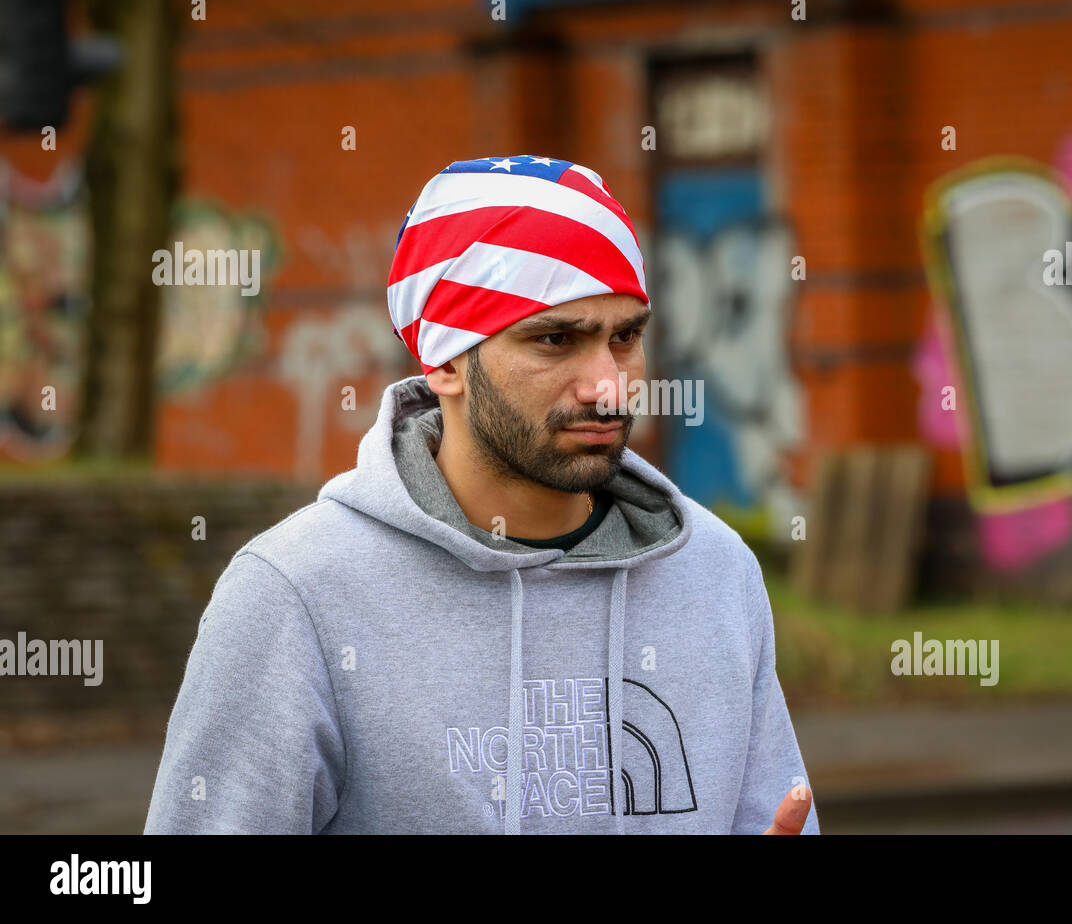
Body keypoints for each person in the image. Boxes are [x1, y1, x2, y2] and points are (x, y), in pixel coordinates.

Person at [144, 154, 818, 834]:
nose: (608, 384)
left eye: (625, 337)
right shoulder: (298, 593)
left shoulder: (713, 571)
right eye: (555, 339)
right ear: (443, 361)